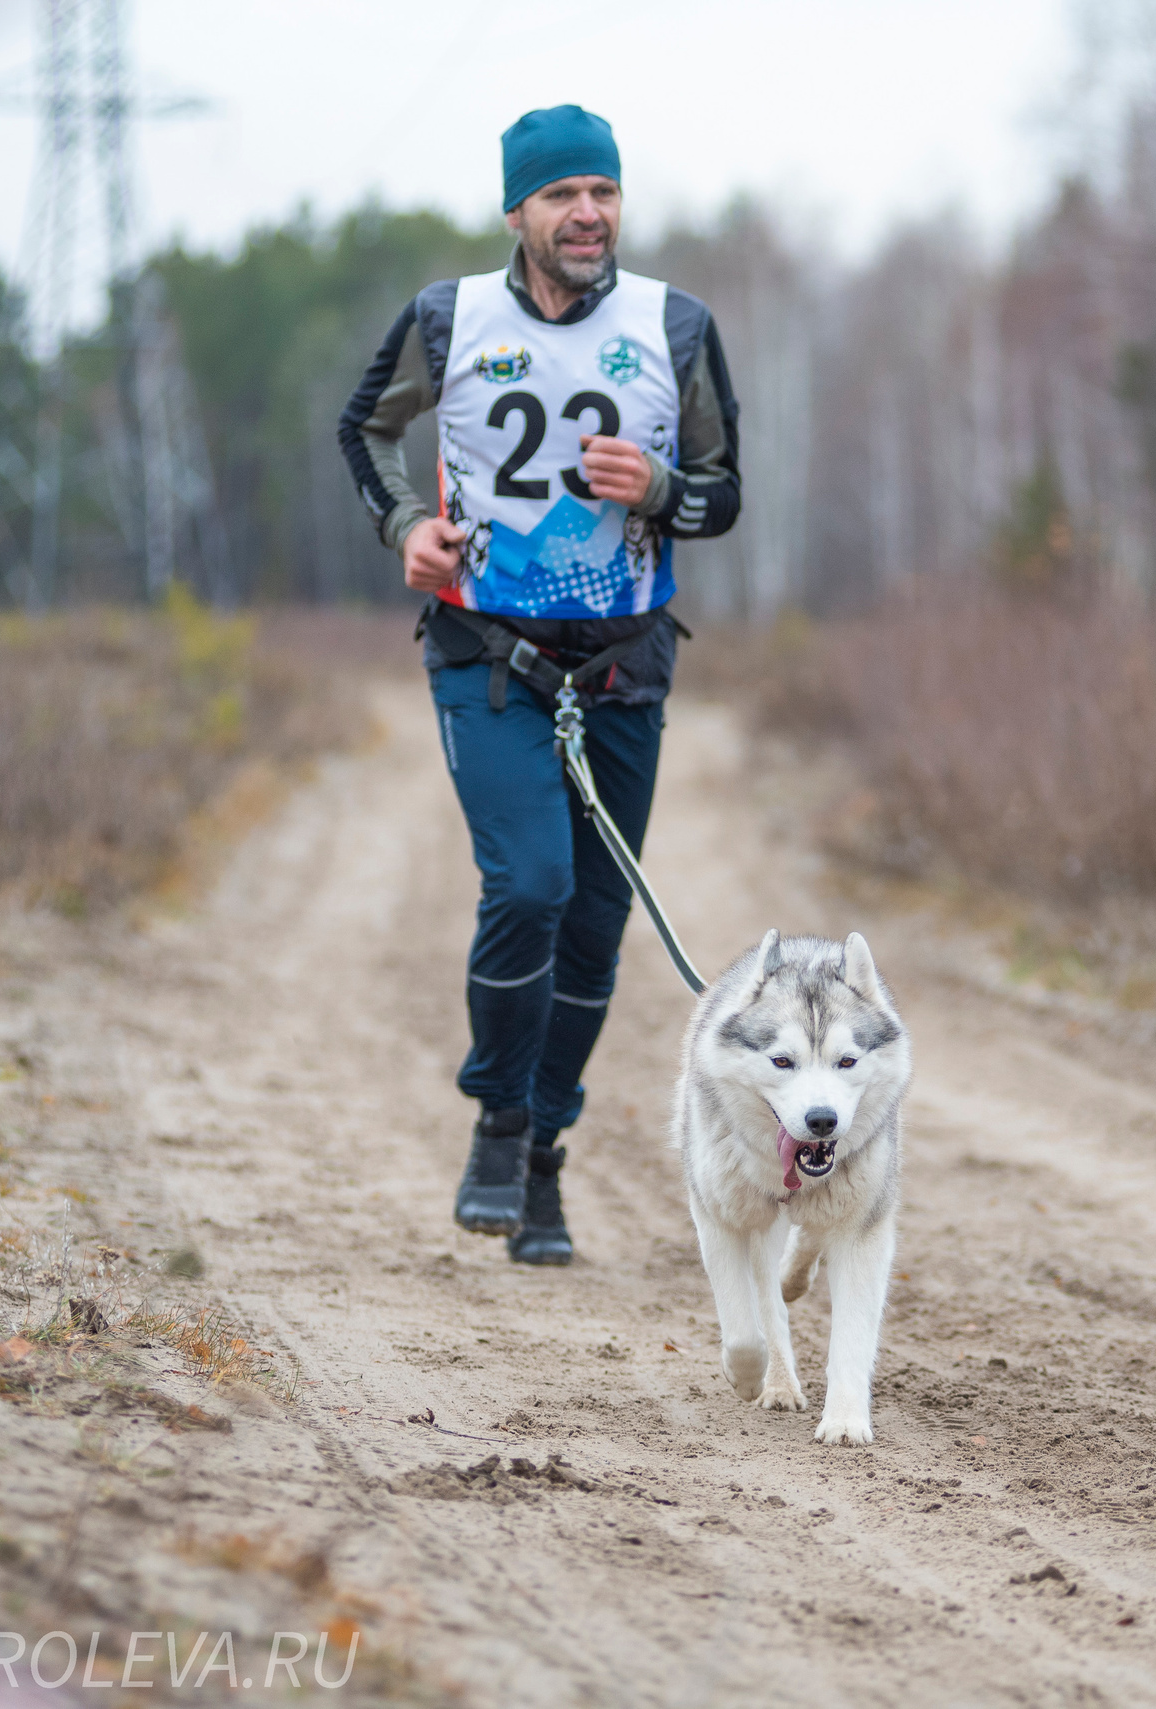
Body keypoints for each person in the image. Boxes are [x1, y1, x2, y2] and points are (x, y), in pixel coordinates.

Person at [335, 104, 741, 1265]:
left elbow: (723, 492)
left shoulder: (675, 324)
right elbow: (363, 431)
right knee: (531, 882)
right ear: (516, 209)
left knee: (596, 930)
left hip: (622, 665)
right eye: (562, 194)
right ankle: (499, 1120)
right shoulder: (447, 318)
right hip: (488, 654)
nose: (587, 213)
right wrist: (406, 526)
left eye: (603, 192)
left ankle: (544, 1155)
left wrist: (658, 487)